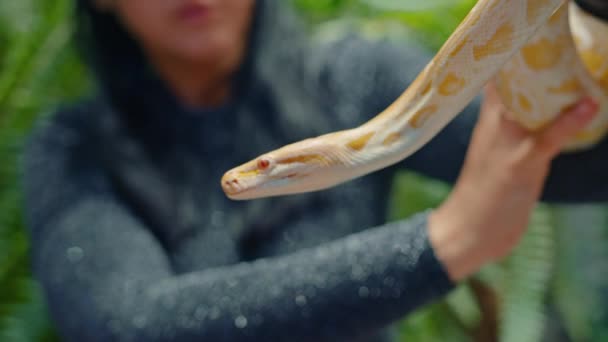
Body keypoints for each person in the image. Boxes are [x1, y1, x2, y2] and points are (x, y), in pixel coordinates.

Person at [21, 0, 608, 341]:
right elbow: (129, 327)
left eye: (267, 169)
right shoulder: (71, 148)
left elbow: (574, 167)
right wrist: (446, 242)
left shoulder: (356, 78)